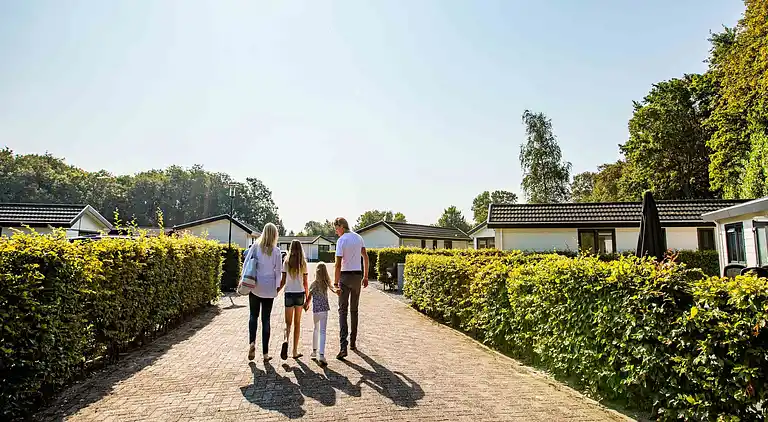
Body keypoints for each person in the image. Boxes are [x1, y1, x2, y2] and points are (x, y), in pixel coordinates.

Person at [244, 223, 282, 362]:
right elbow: (278, 271)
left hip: (255, 286)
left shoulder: (255, 247)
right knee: (266, 319)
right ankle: (265, 354)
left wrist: (242, 280)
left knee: (253, 315)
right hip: (269, 288)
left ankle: (252, 342)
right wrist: (277, 287)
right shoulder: (276, 251)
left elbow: (247, 263)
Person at [332, 217, 368, 360]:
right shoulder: (359, 238)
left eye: (336, 228)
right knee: (354, 310)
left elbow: (338, 264)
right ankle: (353, 342)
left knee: (342, 311)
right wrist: (365, 276)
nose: (336, 232)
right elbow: (365, 257)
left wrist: (335, 283)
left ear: (341, 226)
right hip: (357, 276)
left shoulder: (341, 241)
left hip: (345, 277)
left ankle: (343, 347)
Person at [279, 239, 309, 360]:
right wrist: (307, 299)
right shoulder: (303, 263)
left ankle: (286, 340)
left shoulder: (286, 262)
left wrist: (276, 291)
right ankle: (295, 351)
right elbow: (306, 283)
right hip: (299, 294)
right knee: (297, 324)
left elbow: (282, 281)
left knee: (288, 323)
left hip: (289, 294)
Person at [304, 262, 337, 366]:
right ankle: (321, 355)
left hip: (316, 311)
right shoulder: (326, 283)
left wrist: (306, 305)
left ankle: (314, 352)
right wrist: (337, 291)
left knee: (316, 329)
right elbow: (333, 289)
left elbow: (309, 297)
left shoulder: (314, 284)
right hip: (324, 310)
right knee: (322, 332)